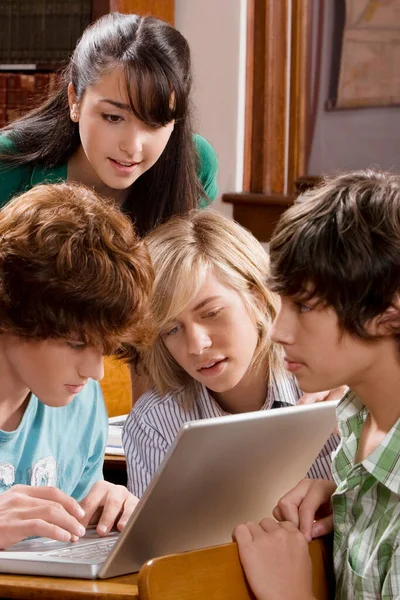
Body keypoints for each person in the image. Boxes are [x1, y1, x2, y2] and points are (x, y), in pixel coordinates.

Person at [233, 170, 400, 600]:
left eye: (304, 306)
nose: (278, 332)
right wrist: (349, 502)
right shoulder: (358, 430)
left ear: (389, 311)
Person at [122, 209, 342, 498]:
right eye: (171, 329)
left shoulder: (338, 385)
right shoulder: (154, 423)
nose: (196, 345)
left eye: (211, 313)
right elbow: (154, 543)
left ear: (259, 299)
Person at [0, 182, 153, 550]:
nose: (96, 372)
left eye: (105, 346)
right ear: (9, 313)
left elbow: (70, 524)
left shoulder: (81, 405)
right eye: (75, 343)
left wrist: (102, 506)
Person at [0, 12, 218, 235]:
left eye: (154, 123)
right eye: (113, 117)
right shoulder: (6, 165)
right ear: (74, 100)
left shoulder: (195, 164)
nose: (132, 147)